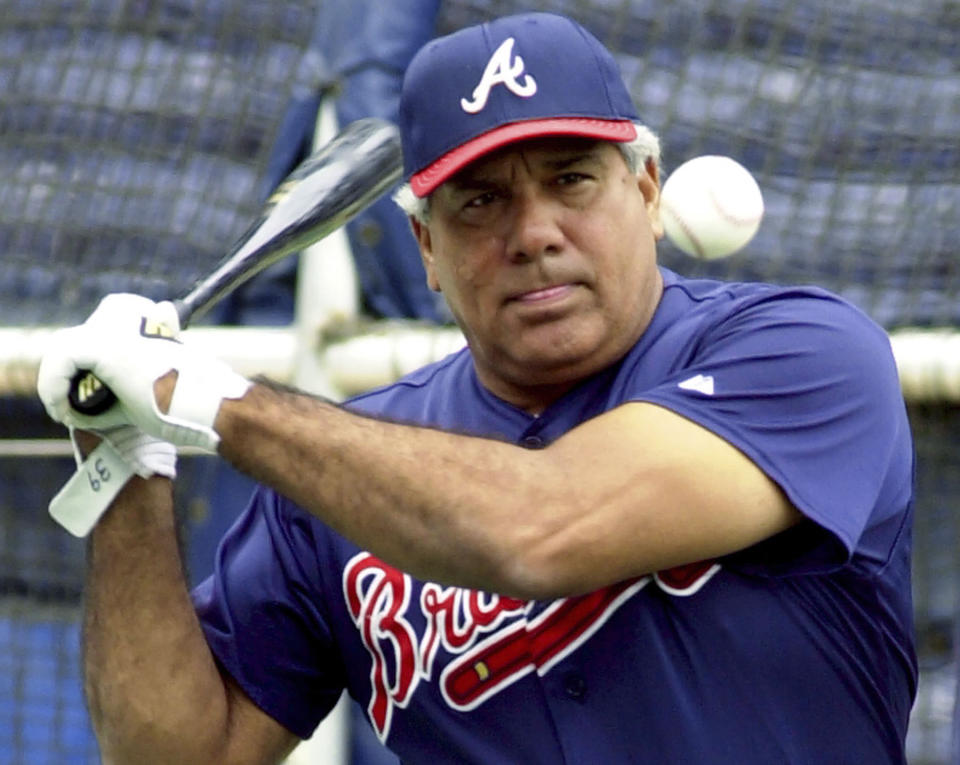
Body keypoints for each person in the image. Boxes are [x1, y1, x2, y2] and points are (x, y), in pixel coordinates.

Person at [37, 11, 917, 765]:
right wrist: (128, 461)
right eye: (480, 201)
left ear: (645, 190)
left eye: (571, 176)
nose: (534, 232)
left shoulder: (806, 355)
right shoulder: (343, 479)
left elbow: (540, 526)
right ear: (426, 251)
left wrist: (213, 401)